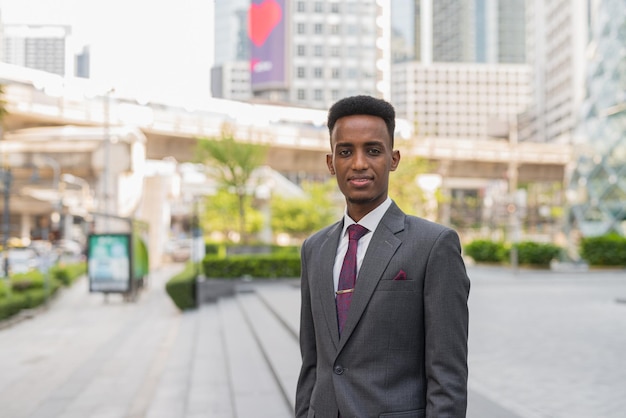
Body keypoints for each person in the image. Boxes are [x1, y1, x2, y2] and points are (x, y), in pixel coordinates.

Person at [295, 95, 470, 417]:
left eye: (373, 150)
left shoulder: (433, 245)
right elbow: (312, 361)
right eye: (345, 151)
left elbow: (448, 373)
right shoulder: (314, 249)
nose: (359, 163)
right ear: (331, 162)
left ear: (393, 158)